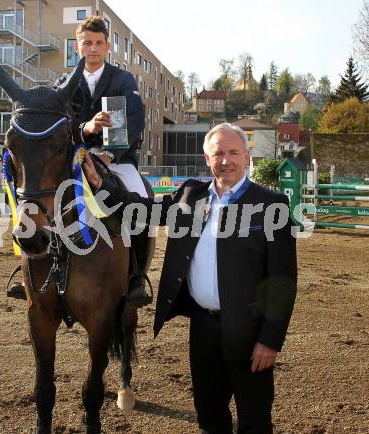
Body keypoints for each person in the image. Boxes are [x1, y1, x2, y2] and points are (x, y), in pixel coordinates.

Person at [83, 123, 298, 433]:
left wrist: (270, 340)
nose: (226, 160)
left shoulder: (270, 204)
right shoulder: (189, 195)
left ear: (248, 156)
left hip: (250, 333)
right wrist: (101, 183)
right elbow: (140, 211)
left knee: (254, 422)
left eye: (234, 152)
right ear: (207, 158)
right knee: (209, 417)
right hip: (203, 330)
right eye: (218, 153)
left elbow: (282, 279)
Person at [57, 15, 152, 307]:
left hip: (118, 158)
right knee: (43, 198)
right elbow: (59, 123)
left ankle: (136, 276)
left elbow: (135, 119)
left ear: (108, 46)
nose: (93, 48)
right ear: (77, 46)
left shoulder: (123, 79)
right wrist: (87, 128)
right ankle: (37, 270)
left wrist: (110, 154)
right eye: (88, 43)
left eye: (99, 43)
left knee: (137, 199)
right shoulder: (63, 83)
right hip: (76, 157)